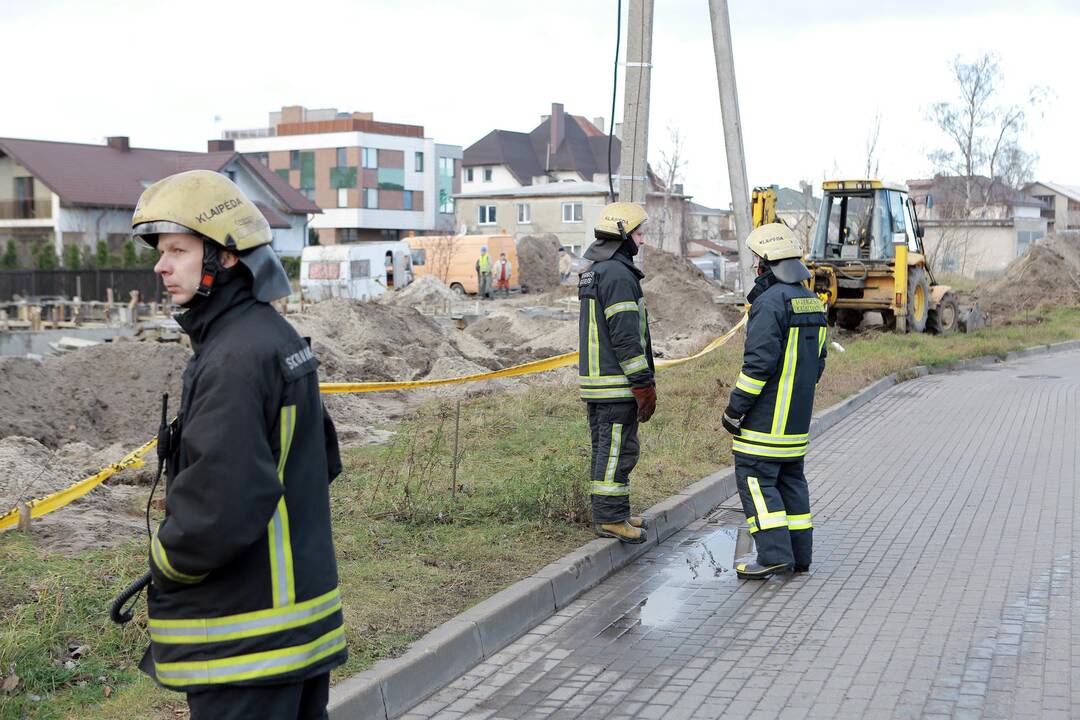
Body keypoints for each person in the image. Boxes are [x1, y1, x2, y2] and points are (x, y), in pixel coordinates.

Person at [131, 170, 346, 719]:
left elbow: (219, 508)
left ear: (224, 258)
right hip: (293, 632)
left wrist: (167, 562)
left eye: (178, 249)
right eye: (161, 250)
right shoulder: (273, 337)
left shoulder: (233, 359)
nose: (161, 264)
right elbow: (322, 461)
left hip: (248, 645)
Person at [721, 223, 827, 579]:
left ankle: (773, 557)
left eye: (756, 261)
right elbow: (819, 362)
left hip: (764, 425)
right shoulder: (812, 301)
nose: (754, 267)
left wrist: (735, 409)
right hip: (795, 428)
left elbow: (757, 367)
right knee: (791, 484)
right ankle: (799, 557)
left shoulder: (769, 303)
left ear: (766, 264)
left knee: (756, 481)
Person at [577, 203, 656, 544]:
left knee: (607, 450)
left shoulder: (597, 270)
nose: (642, 240)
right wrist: (642, 384)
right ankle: (610, 519)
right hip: (616, 384)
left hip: (599, 383)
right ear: (622, 237)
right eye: (638, 233)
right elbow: (626, 337)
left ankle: (616, 512)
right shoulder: (619, 276)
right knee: (617, 453)